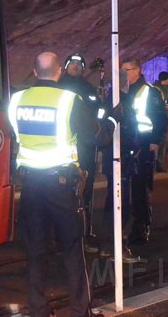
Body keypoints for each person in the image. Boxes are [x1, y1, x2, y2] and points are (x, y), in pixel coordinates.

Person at [8, 51, 112, 317]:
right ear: (59, 72)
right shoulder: (69, 100)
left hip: (30, 186)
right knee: (72, 249)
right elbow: (96, 138)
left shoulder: (17, 100)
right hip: (61, 185)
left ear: (34, 70)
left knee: (35, 252)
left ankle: (38, 310)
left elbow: (15, 135)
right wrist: (111, 119)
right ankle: (79, 311)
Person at [115, 57, 168, 245]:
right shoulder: (119, 91)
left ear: (137, 70)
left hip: (143, 144)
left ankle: (142, 227)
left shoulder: (150, 92)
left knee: (140, 188)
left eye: (127, 70)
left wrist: (155, 141)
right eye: (122, 70)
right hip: (124, 144)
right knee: (122, 189)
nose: (124, 74)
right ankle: (120, 228)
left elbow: (161, 118)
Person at [61, 53, 104, 248]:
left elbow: (99, 112)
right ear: (66, 66)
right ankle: (64, 235)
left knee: (85, 189)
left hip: (86, 147)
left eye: (80, 64)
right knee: (64, 191)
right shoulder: (59, 86)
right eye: (73, 64)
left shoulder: (89, 88)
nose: (76, 67)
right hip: (64, 148)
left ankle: (84, 232)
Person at [154, 71, 168, 172]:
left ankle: (159, 164)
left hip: (165, 119)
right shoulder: (156, 89)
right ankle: (156, 165)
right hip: (160, 120)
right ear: (166, 79)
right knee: (158, 143)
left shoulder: (166, 89)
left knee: (162, 143)